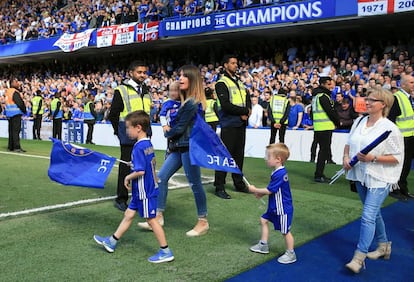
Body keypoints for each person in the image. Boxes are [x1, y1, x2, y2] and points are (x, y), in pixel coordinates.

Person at [93, 110, 174, 263]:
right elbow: (145, 163)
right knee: (129, 215)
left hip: (145, 190)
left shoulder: (137, 147)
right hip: (141, 190)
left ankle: (166, 251)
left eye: (128, 128)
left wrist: (127, 176)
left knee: (151, 220)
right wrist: (133, 166)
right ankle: (112, 241)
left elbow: (141, 171)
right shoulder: (147, 143)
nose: (126, 131)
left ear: (138, 128)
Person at [138, 65, 209, 237]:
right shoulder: (187, 102)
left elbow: (178, 128)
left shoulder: (192, 103)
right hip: (179, 147)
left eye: (184, 76)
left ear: (192, 80)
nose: (180, 79)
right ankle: (159, 216)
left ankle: (203, 221)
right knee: (161, 178)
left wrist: (166, 131)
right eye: (180, 75)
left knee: (195, 184)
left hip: (189, 148)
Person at [343, 87, 403, 274]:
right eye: (367, 98)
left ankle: (359, 258)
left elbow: (397, 157)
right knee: (373, 214)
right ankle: (384, 245)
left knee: (368, 215)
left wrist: (373, 158)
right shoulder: (359, 121)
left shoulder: (390, 128)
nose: (367, 102)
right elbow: (348, 143)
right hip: (361, 175)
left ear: (383, 104)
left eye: (372, 100)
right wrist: (346, 158)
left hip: (381, 177)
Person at [108, 60, 152, 211]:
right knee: (127, 166)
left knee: (143, 166)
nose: (142, 75)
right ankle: (121, 198)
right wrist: (119, 132)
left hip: (144, 135)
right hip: (128, 136)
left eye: (144, 72)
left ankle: (140, 196)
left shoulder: (146, 90)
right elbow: (113, 114)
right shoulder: (121, 90)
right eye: (139, 72)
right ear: (131, 73)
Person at [248, 143, 297, 264]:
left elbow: (270, 190)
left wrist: (255, 190)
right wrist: (261, 194)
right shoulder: (275, 172)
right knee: (263, 220)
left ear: (278, 160)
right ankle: (263, 245)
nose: (266, 158)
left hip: (282, 209)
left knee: (285, 231)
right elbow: (273, 189)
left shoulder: (280, 174)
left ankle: (291, 253)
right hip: (274, 207)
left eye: (268, 157)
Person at [214, 54, 252, 199]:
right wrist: (243, 112)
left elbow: (247, 98)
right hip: (229, 123)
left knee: (238, 155)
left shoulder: (239, 82)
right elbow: (225, 105)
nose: (236, 65)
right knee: (225, 156)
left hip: (240, 123)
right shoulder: (221, 83)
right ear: (225, 65)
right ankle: (219, 185)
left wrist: (247, 111)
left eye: (236, 63)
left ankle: (238, 183)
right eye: (233, 63)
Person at [387, 74, 414, 200]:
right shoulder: (397, 98)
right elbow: (391, 119)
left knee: (406, 165)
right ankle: (395, 188)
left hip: (410, 137)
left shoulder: (409, 98)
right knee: (399, 165)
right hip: (401, 138)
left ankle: (403, 188)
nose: (413, 84)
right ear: (403, 84)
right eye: (411, 82)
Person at [311, 76, 340, 182]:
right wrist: (337, 122)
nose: (331, 86)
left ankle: (319, 173)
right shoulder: (323, 96)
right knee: (324, 151)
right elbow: (330, 111)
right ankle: (318, 175)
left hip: (319, 127)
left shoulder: (316, 97)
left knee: (322, 151)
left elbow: (311, 113)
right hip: (325, 127)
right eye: (328, 84)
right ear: (323, 84)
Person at [158, 81, 181, 158]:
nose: (172, 93)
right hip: (171, 131)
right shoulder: (167, 103)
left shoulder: (185, 102)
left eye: (175, 90)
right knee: (171, 149)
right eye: (171, 90)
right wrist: (164, 125)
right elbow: (162, 115)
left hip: (182, 131)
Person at [5, 77, 26, 152]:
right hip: (16, 113)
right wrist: (24, 110)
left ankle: (11, 146)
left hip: (9, 113)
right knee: (16, 131)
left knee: (11, 131)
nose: (18, 83)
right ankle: (17, 147)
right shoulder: (14, 92)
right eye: (16, 82)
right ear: (12, 83)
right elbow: (20, 103)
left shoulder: (8, 91)